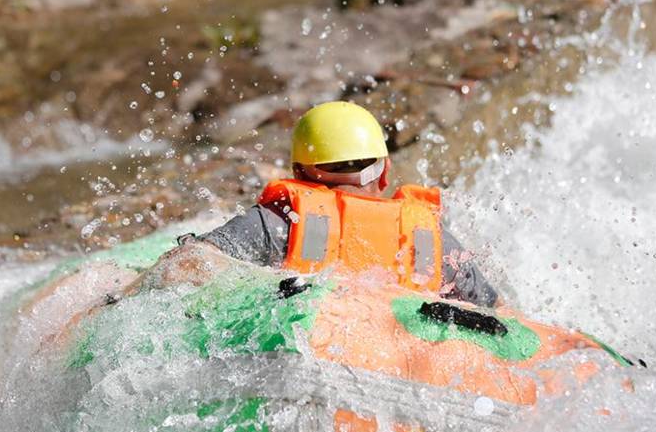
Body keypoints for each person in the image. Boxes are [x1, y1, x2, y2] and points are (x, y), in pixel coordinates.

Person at [195, 101, 498, 306]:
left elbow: (184, 268)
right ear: (384, 174)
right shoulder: (433, 242)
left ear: (299, 174)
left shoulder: (281, 222)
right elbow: (499, 313)